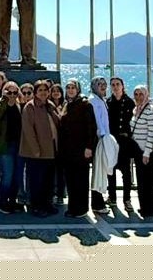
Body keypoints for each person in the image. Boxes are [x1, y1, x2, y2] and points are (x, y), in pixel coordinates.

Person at [19, 79, 60, 217]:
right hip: (36, 152)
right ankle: (36, 206)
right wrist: (35, 149)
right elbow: (28, 130)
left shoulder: (50, 105)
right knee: (36, 180)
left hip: (51, 149)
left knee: (48, 180)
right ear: (35, 92)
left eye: (45, 90)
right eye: (40, 90)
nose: (43, 93)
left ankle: (47, 204)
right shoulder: (30, 107)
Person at [59, 79, 96, 218]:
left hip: (81, 149)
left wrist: (89, 147)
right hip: (68, 149)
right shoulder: (67, 105)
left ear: (78, 89)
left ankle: (81, 208)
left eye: (73, 87)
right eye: (68, 87)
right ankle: (72, 206)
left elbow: (91, 127)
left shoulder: (85, 104)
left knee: (81, 179)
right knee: (70, 179)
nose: (70, 90)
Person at [0, 81, 23, 214]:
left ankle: (12, 201)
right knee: (7, 175)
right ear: (4, 92)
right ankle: (2, 201)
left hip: (18, 145)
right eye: (9, 92)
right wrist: (4, 99)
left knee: (16, 176)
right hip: (4, 146)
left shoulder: (20, 106)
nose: (12, 95)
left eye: (15, 92)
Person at [128, 85, 153, 219]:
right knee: (141, 181)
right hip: (137, 151)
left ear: (146, 95)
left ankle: (151, 209)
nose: (138, 97)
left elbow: (152, 133)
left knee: (149, 182)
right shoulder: (136, 110)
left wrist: (147, 152)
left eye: (141, 94)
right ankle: (144, 207)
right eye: (136, 94)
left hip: (147, 152)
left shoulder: (151, 110)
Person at [106, 77, 135, 211]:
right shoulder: (108, 102)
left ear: (123, 86)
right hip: (112, 141)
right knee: (110, 170)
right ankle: (112, 197)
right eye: (113, 85)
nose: (115, 87)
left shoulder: (129, 102)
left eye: (118, 84)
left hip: (125, 142)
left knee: (126, 172)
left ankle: (127, 199)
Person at [88, 76, 112, 214]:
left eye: (104, 84)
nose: (103, 86)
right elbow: (97, 121)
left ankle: (98, 201)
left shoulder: (100, 100)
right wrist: (103, 136)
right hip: (99, 140)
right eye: (99, 84)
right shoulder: (93, 101)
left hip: (103, 138)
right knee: (98, 172)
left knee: (101, 171)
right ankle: (97, 203)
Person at [49, 82, 67, 205]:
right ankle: (51, 193)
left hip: (63, 143)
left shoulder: (66, 105)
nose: (56, 93)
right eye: (53, 91)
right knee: (50, 170)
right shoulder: (47, 106)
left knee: (61, 171)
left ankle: (60, 194)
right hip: (50, 142)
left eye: (58, 91)